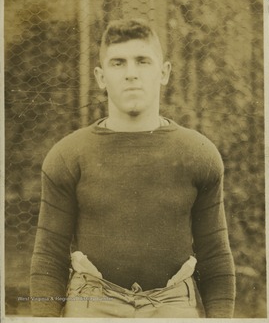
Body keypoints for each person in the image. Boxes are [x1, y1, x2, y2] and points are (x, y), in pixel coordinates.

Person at [30, 18, 236, 318]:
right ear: (101, 77)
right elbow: (49, 255)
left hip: (172, 304)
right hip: (92, 302)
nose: (131, 74)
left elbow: (215, 255)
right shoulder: (67, 155)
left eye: (142, 61)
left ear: (163, 72)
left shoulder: (199, 154)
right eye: (118, 63)